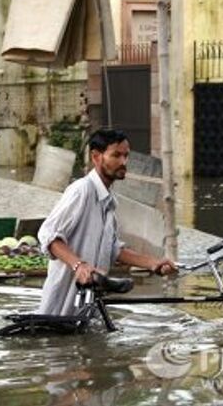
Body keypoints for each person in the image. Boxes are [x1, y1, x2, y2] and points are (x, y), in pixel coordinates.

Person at [36, 128, 177, 316]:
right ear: (96, 157)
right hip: (62, 304)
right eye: (116, 155)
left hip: (88, 303)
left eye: (126, 156)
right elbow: (48, 234)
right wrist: (79, 265)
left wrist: (154, 263)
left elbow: (114, 250)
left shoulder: (109, 201)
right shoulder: (81, 191)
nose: (124, 162)